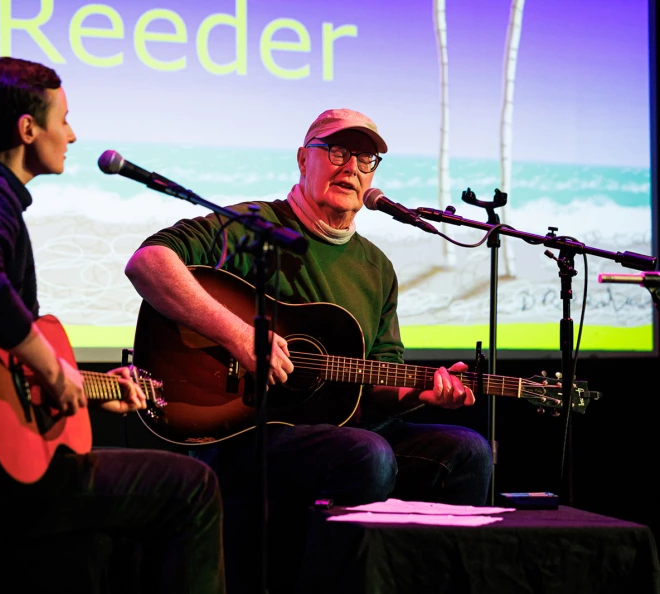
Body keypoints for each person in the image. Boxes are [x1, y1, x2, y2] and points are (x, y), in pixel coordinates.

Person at [0, 56, 225, 593]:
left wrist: (85, 387)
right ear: (28, 128)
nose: (73, 135)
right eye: (64, 119)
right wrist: (54, 373)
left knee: (106, 532)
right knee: (193, 486)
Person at [124, 108, 493, 592]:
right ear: (303, 159)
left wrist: (418, 394)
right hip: (250, 430)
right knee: (368, 454)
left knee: (468, 451)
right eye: (338, 151)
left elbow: (380, 376)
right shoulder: (251, 227)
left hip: (346, 431)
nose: (353, 167)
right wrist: (239, 335)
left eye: (367, 158)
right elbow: (148, 263)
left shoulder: (375, 267)